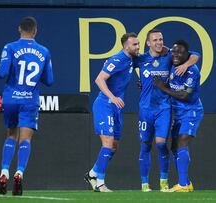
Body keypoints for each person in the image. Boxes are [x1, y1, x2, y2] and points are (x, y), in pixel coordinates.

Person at [134, 29, 200, 192]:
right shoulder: (141, 59)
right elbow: (125, 65)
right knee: (145, 146)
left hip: (164, 108)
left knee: (162, 144)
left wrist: (185, 64)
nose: (159, 42)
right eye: (155, 40)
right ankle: (144, 184)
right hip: (145, 109)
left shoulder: (171, 55)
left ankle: (164, 181)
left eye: (161, 39)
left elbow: (195, 55)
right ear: (148, 43)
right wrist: (141, 82)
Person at [0, 16, 54, 196]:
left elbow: (2, 73)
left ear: (19, 29)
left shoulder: (10, 47)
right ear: (35, 31)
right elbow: (49, 81)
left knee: (11, 135)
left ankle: (4, 171)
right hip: (30, 100)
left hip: (11, 99)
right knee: (25, 139)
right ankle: (19, 172)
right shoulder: (44, 51)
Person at [84, 32, 140, 192]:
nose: (137, 46)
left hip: (116, 107)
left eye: (138, 43)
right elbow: (99, 79)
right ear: (125, 46)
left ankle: (93, 173)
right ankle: (100, 182)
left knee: (113, 146)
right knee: (107, 143)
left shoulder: (131, 59)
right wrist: (113, 97)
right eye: (134, 44)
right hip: (105, 104)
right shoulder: (118, 59)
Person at [153, 40, 204, 192]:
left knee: (182, 142)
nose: (175, 55)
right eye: (174, 52)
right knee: (175, 147)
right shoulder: (171, 62)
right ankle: (186, 182)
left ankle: (182, 184)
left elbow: (184, 95)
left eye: (180, 53)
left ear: (186, 55)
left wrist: (163, 88)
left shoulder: (192, 71)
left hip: (191, 111)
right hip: (177, 112)